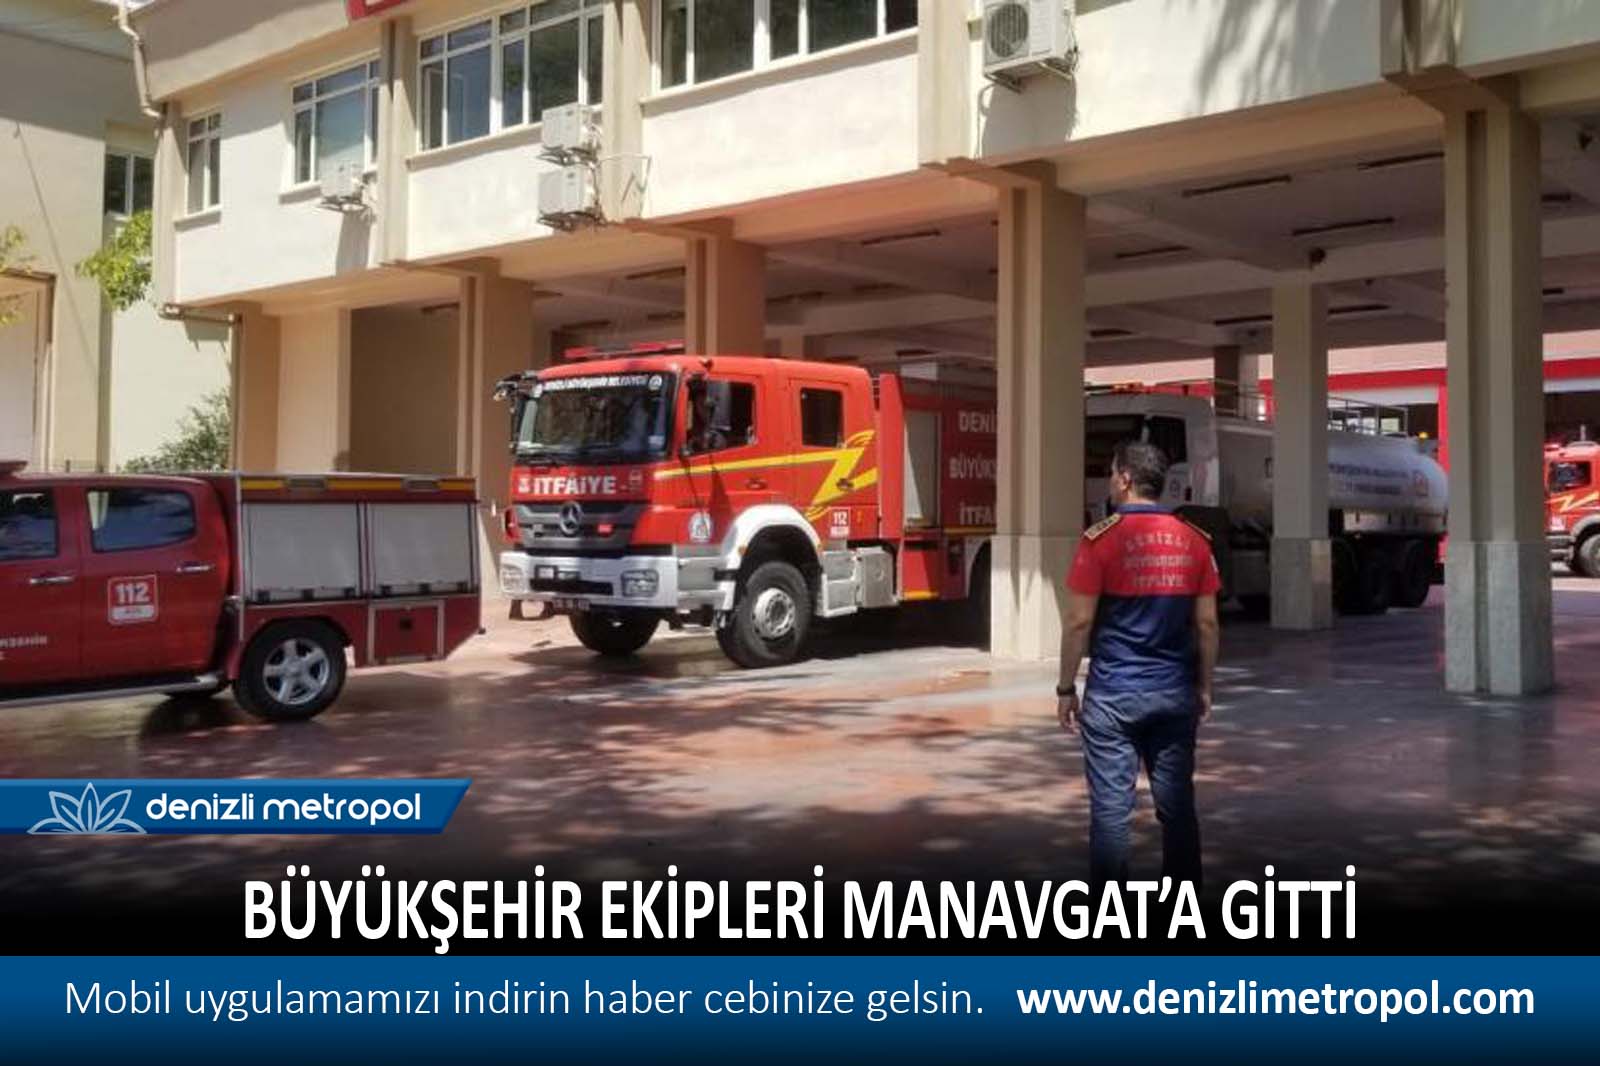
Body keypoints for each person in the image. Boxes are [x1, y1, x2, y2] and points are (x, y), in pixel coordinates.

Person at [1056, 440, 1221, 892]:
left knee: (1111, 814)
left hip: (1113, 698)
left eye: (1112, 473)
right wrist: (1205, 686)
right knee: (1177, 809)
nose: (1110, 481)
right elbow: (1207, 624)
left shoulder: (1100, 540)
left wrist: (1066, 689)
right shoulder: (1194, 540)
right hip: (1174, 695)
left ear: (1126, 479)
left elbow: (1078, 621)